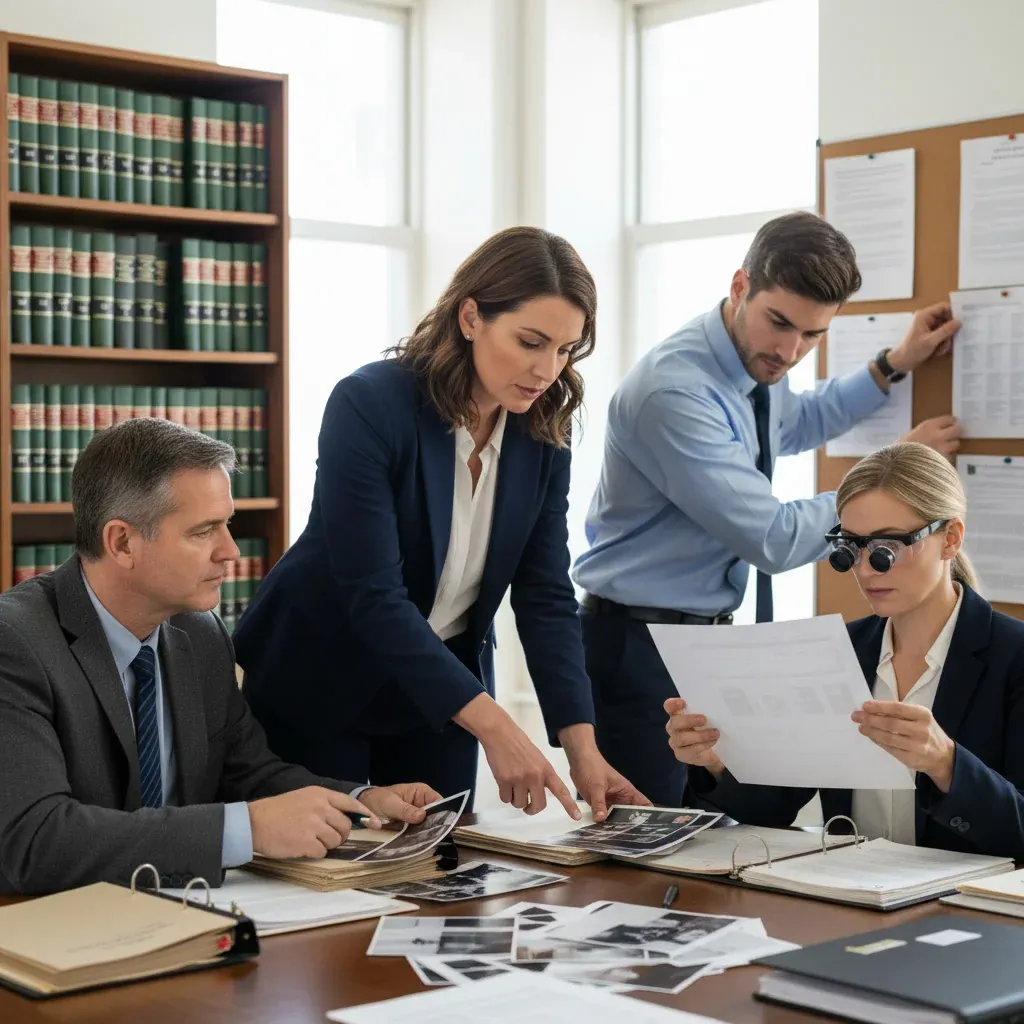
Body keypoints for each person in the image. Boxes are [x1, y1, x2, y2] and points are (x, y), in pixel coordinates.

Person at [235, 226, 647, 820]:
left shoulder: (541, 430)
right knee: (333, 860)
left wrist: (583, 750)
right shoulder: (368, 404)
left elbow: (545, 595)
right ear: (471, 317)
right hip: (322, 676)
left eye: (565, 350)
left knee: (443, 860)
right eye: (530, 342)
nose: (547, 370)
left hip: (441, 691)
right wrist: (497, 726)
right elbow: (373, 596)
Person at [572, 211, 964, 806]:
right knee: (650, 838)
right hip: (639, 648)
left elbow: (800, 421)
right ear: (740, 286)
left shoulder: (754, 366)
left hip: (698, 642)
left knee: (708, 826)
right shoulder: (675, 392)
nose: (790, 350)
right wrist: (890, 486)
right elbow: (773, 539)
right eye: (779, 323)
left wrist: (893, 364)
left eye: (812, 335)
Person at [0, 418, 440, 896]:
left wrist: (359, 801)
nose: (230, 551)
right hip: (57, 922)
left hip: (184, 908)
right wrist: (247, 829)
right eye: (204, 531)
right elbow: (35, 841)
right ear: (122, 542)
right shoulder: (16, 642)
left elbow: (247, 773)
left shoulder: (200, 631)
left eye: (226, 525)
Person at [666, 442, 1024, 860]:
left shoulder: (1013, 657)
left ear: (950, 539)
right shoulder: (837, 651)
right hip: (849, 888)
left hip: (967, 898)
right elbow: (771, 808)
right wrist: (716, 761)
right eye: (851, 548)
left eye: (888, 548)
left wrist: (946, 764)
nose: (866, 569)